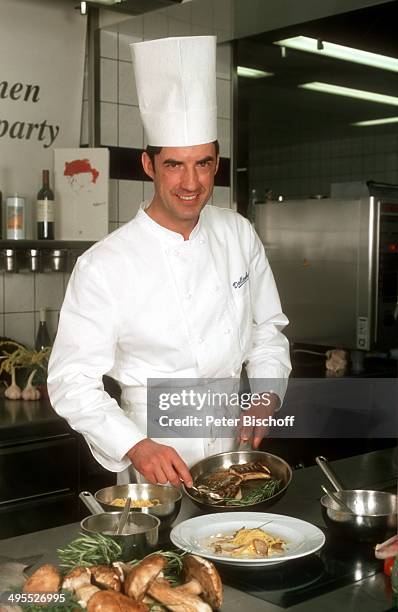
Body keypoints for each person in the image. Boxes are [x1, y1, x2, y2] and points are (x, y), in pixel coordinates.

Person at [47, 36, 291, 487]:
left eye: (203, 163)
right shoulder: (105, 263)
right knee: (160, 556)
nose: (191, 182)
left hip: (233, 446)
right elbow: (71, 379)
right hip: (155, 452)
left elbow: (266, 329)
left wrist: (266, 396)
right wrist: (135, 446)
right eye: (175, 165)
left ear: (217, 164)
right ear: (149, 165)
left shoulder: (237, 232)